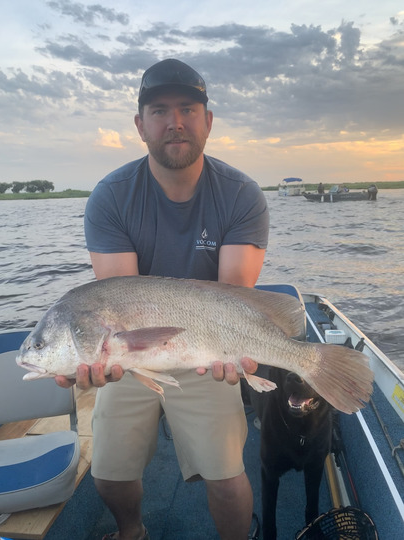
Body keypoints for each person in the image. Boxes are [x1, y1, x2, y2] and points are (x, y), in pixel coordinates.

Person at [56, 58, 269, 540]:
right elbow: (121, 302)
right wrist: (92, 357)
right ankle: (131, 530)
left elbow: (236, 295)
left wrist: (234, 354)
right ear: (140, 125)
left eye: (188, 109)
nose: (175, 121)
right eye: (159, 110)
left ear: (208, 121)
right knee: (107, 471)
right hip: (132, 352)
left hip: (207, 347)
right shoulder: (110, 196)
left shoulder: (242, 195)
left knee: (227, 474)